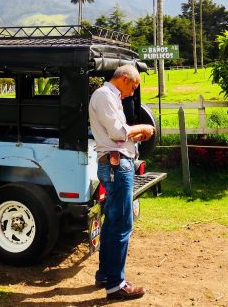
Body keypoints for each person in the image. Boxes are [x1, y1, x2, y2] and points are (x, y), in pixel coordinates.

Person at [89, 64, 155, 302]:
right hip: (117, 166)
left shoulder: (109, 96)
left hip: (114, 162)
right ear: (125, 79)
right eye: (133, 86)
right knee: (122, 224)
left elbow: (117, 134)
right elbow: (118, 132)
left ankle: (106, 275)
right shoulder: (105, 96)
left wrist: (132, 133)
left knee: (112, 222)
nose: (132, 92)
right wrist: (143, 128)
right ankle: (116, 285)